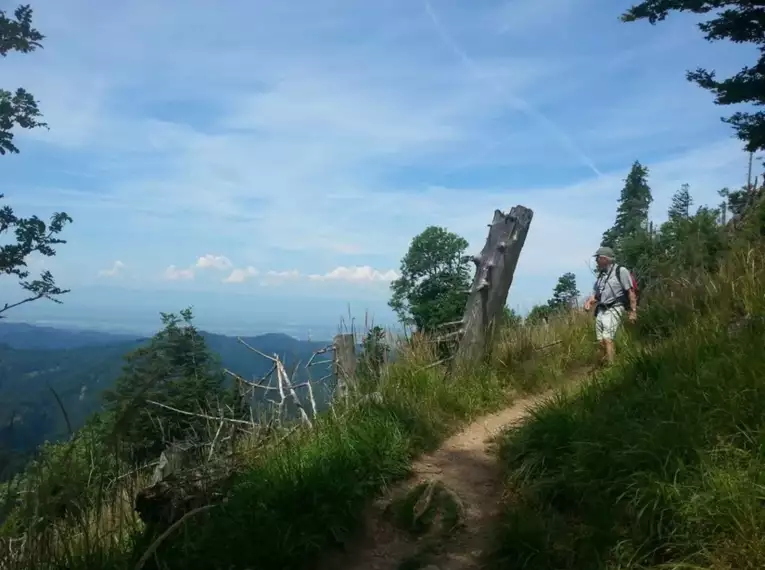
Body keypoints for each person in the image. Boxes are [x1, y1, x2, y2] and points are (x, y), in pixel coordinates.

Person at [583, 246, 637, 365]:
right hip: (601, 310)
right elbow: (596, 295)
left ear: (605, 259)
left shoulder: (621, 271)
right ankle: (604, 365)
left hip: (615, 307)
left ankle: (611, 366)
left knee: (607, 338)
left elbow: (630, 292)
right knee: (600, 341)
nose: (596, 261)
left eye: (598, 258)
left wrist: (633, 311)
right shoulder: (601, 276)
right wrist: (588, 303)